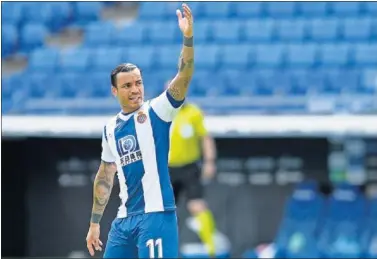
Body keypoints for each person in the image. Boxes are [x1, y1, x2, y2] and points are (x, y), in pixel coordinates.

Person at [85, 4, 194, 258]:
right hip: (124, 220)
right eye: (127, 85)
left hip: (156, 216)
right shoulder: (110, 128)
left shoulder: (158, 111)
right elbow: (105, 175)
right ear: (115, 91)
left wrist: (187, 38)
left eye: (138, 83)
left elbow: (185, 74)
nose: (135, 89)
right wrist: (94, 223)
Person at [168, 87, 218, 256]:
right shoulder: (160, 113)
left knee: (197, 205)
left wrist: (209, 161)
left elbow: (205, 138)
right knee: (165, 211)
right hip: (167, 169)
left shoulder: (193, 112)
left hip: (189, 167)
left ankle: (212, 248)